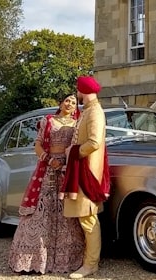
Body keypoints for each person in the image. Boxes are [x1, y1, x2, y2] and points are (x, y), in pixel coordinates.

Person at [8, 94, 85, 275]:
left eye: (74, 102)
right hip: (49, 170)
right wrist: (49, 160)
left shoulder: (78, 123)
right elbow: (38, 145)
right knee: (40, 212)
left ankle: (65, 261)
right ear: (60, 103)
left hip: (68, 171)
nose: (70, 104)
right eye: (67, 100)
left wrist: (67, 164)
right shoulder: (48, 120)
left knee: (67, 213)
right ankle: (33, 260)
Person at [60, 76, 111, 279]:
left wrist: (72, 151)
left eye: (78, 91)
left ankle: (90, 265)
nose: (77, 94)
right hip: (83, 171)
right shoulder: (88, 111)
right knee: (86, 219)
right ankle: (88, 261)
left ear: (82, 90)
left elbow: (94, 142)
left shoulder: (95, 112)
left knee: (88, 220)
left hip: (86, 172)